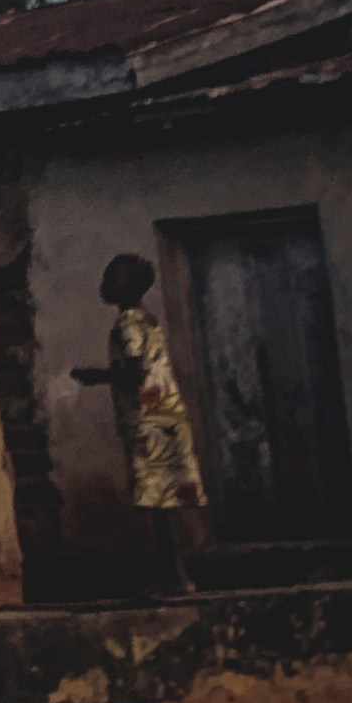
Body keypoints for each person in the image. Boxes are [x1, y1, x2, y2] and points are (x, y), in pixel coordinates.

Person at [73, 252, 208, 593]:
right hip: (167, 417)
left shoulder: (128, 324)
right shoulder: (149, 321)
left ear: (128, 286)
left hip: (148, 423)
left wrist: (95, 376)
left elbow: (134, 374)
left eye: (112, 278)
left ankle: (176, 577)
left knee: (160, 506)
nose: (104, 284)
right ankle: (176, 575)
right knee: (166, 504)